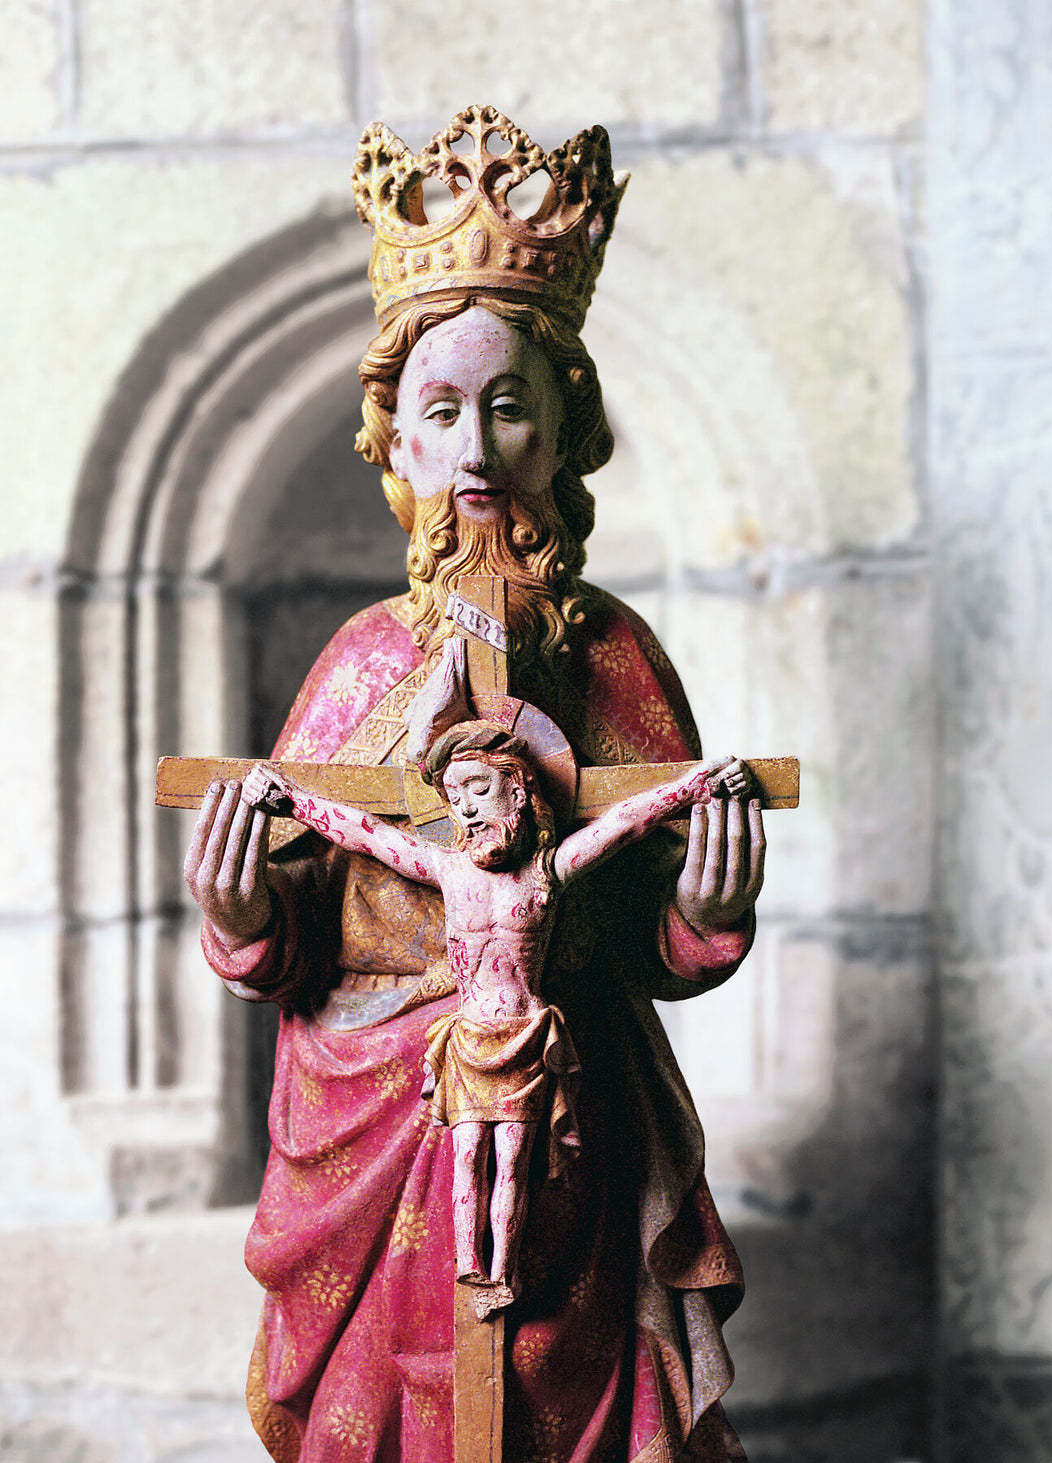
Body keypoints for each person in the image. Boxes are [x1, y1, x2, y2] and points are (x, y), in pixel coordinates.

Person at [186, 107, 766, 1462]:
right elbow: (288, 906)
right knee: (395, 1399)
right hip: (373, 1104)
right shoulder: (358, 660)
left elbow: (651, 932)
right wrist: (242, 912)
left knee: (566, 1391)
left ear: (566, 427)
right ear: (394, 445)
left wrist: (704, 909)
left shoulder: (616, 652)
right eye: (439, 411)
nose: (477, 448)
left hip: (569, 1107)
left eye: (511, 404)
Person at [241, 727, 755, 1321]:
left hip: (527, 1040)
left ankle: (502, 1272)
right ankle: (471, 1269)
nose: (464, 808)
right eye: (455, 796)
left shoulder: (545, 876)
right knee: (466, 1163)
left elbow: (626, 824)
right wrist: (290, 798)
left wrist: (696, 786)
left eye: (478, 790)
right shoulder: (449, 872)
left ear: (519, 793)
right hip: (466, 1042)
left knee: (509, 1165)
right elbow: (368, 835)